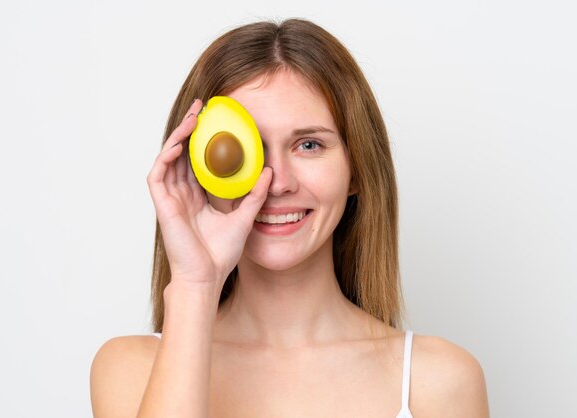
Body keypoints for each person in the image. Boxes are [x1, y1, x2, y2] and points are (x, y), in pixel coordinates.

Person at [90, 19, 489, 418]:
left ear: (357, 169)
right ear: (195, 170)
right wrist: (196, 286)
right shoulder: (131, 370)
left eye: (309, 144)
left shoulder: (438, 381)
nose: (277, 183)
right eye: (245, 148)